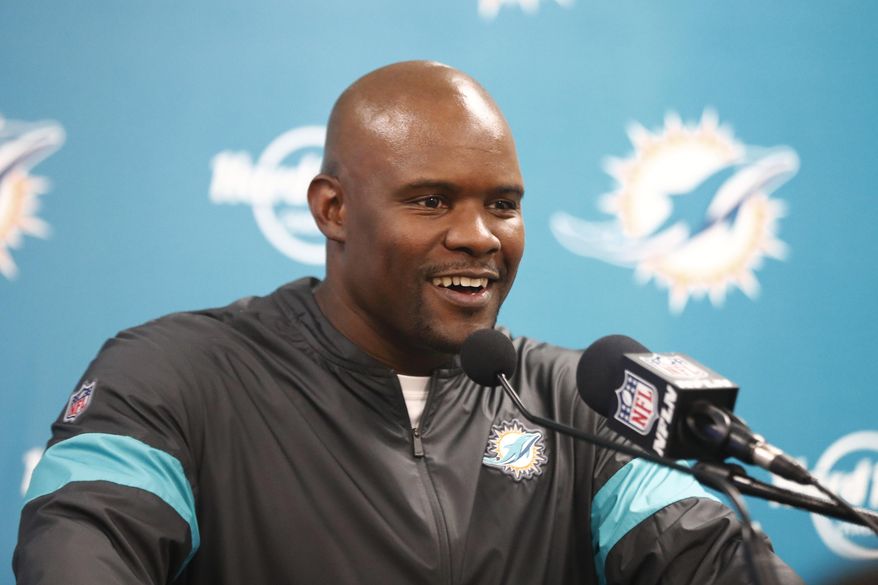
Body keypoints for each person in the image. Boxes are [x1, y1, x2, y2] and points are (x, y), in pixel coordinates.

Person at [14, 61, 803, 585]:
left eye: (503, 204)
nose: (479, 235)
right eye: (431, 200)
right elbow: (80, 549)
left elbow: (702, 552)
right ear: (334, 209)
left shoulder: (578, 401)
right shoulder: (176, 374)